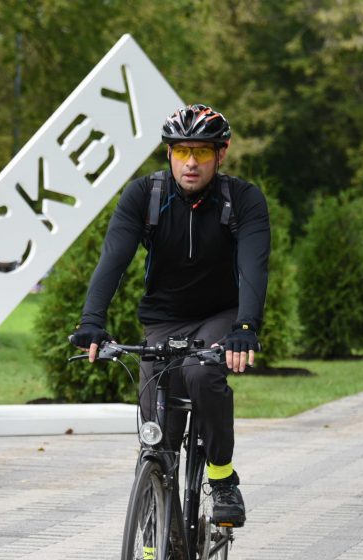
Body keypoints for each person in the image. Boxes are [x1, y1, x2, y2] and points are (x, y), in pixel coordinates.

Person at [69, 104, 271, 527]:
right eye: (182, 151)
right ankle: (158, 527)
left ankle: (220, 478)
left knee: (200, 375)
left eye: (201, 151)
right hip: (162, 321)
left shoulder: (244, 199)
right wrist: (91, 321)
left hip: (219, 315)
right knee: (157, 437)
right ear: (169, 154)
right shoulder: (145, 196)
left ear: (222, 153)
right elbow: (113, 260)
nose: (191, 162)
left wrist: (246, 327)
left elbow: (254, 266)